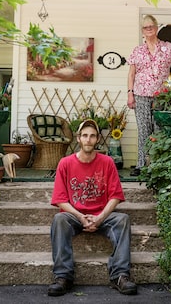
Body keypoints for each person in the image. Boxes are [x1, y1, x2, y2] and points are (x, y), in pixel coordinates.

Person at [48, 119, 137, 297]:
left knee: (123, 219)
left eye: (92, 136)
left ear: (97, 139)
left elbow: (115, 196)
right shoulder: (65, 163)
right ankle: (63, 276)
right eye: (85, 136)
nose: (88, 139)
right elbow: (60, 200)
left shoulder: (107, 162)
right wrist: (80, 217)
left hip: (101, 215)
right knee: (59, 219)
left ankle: (120, 275)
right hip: (74, 216)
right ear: (78, 138)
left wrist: (100, 217)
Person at [127, 15, 171, 176]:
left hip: (160, 96)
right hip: (140, 94)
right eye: (145, 27)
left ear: (156, 28)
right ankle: (141, 165)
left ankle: (156, 165)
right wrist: (130, 94)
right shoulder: (137, 51)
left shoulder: (167, 48)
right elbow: (131, 74)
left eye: (151, 26)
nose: (149, 29)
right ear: (142, 31)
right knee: (143, 130)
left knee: (159, 130)